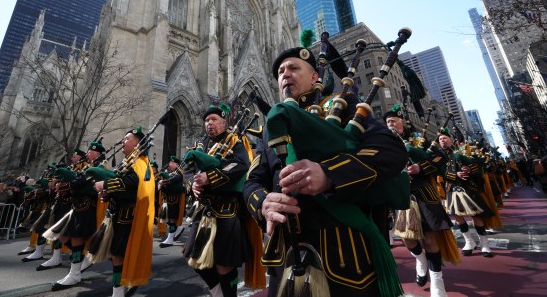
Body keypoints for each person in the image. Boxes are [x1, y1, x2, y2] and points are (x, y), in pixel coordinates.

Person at [244, 46, 408, 297]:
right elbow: (253, 181)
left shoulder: (340, 106)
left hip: (345, 259)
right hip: (287, 258)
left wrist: (328, 174)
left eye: (293, 68)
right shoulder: (270, 129)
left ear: (314, 78)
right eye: (280, 71)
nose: (285, 74)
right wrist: (263, 203)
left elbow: (390, 151)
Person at [385, 106, 455, 297]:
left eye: (394, 120)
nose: (390, 123)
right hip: (403, 196)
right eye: (388, 121)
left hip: (425, 194)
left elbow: (441, 158)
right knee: (408, 239)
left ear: (403, 123)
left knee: (430, 238)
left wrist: (420, 166)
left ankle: (437, 283)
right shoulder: (384, 144)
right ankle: (420, 259)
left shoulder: (419, 142)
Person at [183, 105, 250, 297]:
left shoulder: (235, 142)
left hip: (227, 211)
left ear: (223, 122)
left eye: (213, 119)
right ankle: (218, 291)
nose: (209, 123)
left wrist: (210, 177)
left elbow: (241, 164)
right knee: (195, 259)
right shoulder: (200, 145)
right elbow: (187, 170)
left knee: (224, 264)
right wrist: (192, 185)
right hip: (203, 210)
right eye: (206, 120)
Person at [94, 127, 155, 297]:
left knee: (117, 254)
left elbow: (132, 183)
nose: (123, 141)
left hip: (127, 217)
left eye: (127, 139)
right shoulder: (128, 162)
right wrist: (108, 195)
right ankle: (121, 287)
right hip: (116, 214)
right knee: (114, 255)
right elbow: (121, 183)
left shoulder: (140, 162)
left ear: (137, 144)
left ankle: (118, 292)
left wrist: (106, 186)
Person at [50, 143, 102, 290]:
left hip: (87, 206)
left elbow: (86, 184)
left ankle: (74, 273)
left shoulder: (99, 167)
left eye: (91, 151)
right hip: (77, 206)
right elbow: (79, 180)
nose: (88, 154)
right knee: (61, 235)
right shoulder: (87, 166)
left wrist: (70, 185)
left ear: (98, 153)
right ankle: (82, 261)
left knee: (77, 238)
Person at [441, 130, 495, 258]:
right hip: (451, 188)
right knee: (458, 217)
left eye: (444, 138)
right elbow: (439, 172)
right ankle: (469, 242)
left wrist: (469, 169)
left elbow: (479, 164)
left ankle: (484, 244)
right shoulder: (438, 156)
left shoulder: (463, 151)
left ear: (451, 140)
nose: (442, 141)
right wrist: (455, 174)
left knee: (476, 215)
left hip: (468, 187)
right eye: (440, 139)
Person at [158, 156, 186, 248]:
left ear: (177, 164)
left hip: (175, 200)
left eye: (172, 163)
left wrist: (164, 180)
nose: (170, 164)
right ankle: (178, 229)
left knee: (172, 219)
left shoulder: (179, 173)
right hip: (168, 199)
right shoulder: (171, 173)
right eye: (170, 162)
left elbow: (174, 180)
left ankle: (170, 239)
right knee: (169, 220)